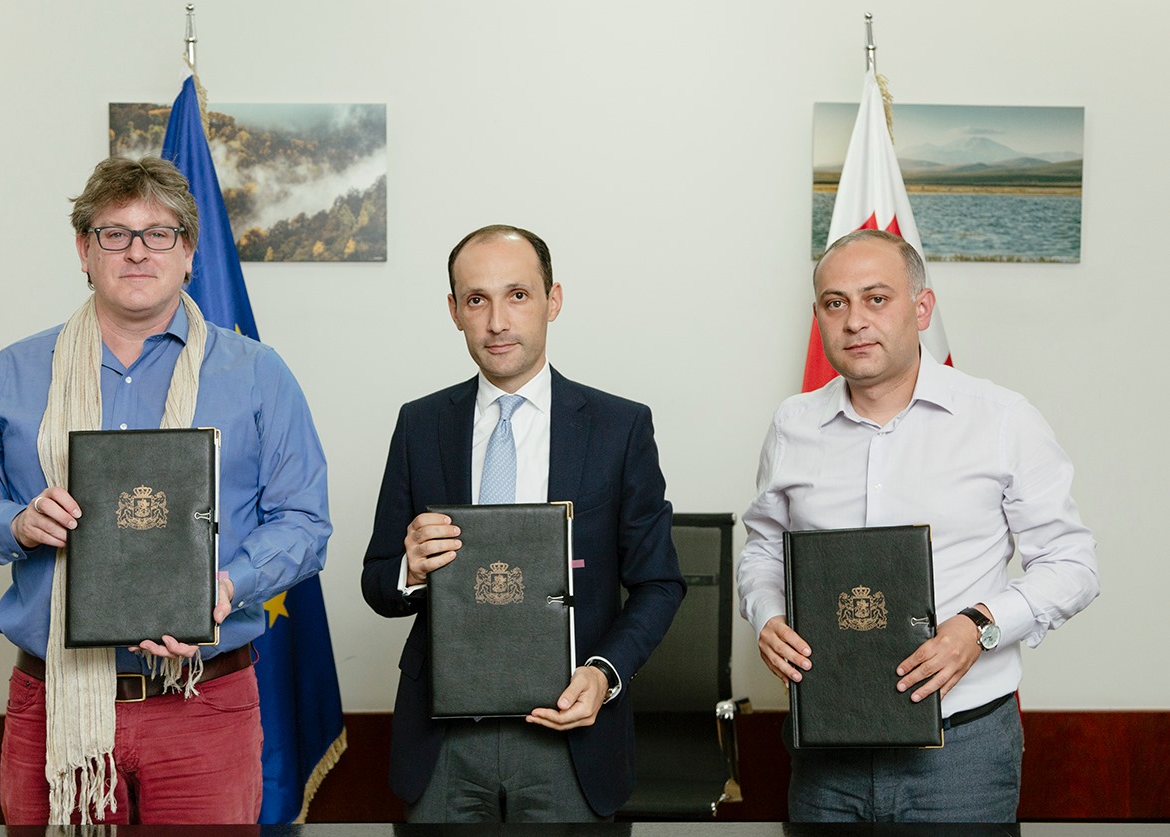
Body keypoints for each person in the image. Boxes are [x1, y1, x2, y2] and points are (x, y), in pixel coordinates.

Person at [0, 156, 331, 826]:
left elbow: (304, 522)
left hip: (205, 702)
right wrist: (16, 523)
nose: (137, 251)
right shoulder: (13, 373)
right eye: (115, 233)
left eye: (159, 233)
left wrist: (227, 585)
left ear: (189, 252)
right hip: (55, 703)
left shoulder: (259, 375)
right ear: (84, 250)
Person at [737, 228, 1098, 822]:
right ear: (818, 317)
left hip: (963, 750)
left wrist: (980, 626)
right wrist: (767, 614)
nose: (855, 321)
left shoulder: (1002, 420)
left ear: (922, 308)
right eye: (835, 303)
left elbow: (1073, 566)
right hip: (826, 746)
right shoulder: (792, 425)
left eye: (876, 298)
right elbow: (764, 549)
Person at [361, 224, 685, 822]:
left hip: (572, 735)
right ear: (454, 311)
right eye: (476, 300)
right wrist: (409, 570)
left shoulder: (619, 428)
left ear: (552, 301)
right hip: (443, 740)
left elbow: (659, 583)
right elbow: (377, 581)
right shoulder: (420, 425)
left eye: (517, 295)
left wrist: (605, 673)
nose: (497, 322)